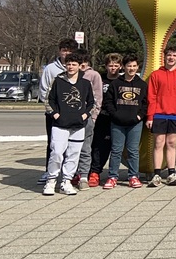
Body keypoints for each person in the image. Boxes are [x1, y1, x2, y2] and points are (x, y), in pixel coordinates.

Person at [43, 51, 95, 196]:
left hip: (78, 125)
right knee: (57, 153)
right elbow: (49, 100)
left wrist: (85, 115)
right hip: (60, 124)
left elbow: (92, 102)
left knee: (74, 154)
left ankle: (66, 181)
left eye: (74, 64)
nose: (71, 67)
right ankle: (51, 180)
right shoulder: (58, 81)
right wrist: (55, 114)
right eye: (68, 64)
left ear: (80, 66)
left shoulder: (85, 83)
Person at [146, 45, 176, 187]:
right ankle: (157, 174)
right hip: (159, 114)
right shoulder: (156, 75)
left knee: (171, 144)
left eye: (174, 55)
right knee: (159, 143)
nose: (171, 58)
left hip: (175, 115)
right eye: (169, 55)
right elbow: (151, 96)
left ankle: (172, 173)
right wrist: (150, 116)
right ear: (164, 57)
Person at [104, 54, 147, 189]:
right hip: (117, 123)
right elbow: (108, 102)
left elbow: (145, 103)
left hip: (135, 123)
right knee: (116, 150)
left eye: (134, 66)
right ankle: (112, 177)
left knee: (133, 150)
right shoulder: (116, 83)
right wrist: (115, 115)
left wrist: (139, 116)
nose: (131, 68)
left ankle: (133, 176)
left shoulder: (142, 84)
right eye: (129, 66)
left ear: (137, 67)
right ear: (124, 67)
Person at [38, 38, 77, 183]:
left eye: (69, 51)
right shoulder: (50, 69)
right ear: (60, 52)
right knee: (53, 144)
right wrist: (53, 111)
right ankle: (49, 172)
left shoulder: (78, 68)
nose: (66, 54)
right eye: (64, 50)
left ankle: (69, 174)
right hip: (54, 114)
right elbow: (44, 91)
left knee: (72, 145)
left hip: (72, 113)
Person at [86, 53, 122, 188]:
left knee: (116, 148)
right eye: (110, 65)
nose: (113, 68)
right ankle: (95, 172)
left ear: (120, 66)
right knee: (98, 146)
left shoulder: (123, 80)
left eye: (116, 65)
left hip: (117, 118)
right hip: (102, 117)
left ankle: (115, 173)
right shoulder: (100, 79)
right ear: (106, 66)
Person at [74, 55, 105, 188]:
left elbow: (98, 96)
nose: (81, 66)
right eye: (78, 63)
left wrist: (93, 115)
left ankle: (84, 175)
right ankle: (73, 173)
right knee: (73, 148)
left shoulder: (93, 75)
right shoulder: (70, 76)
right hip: (71, 118)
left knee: (86, 147)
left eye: (83, 63)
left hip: (87, 117)